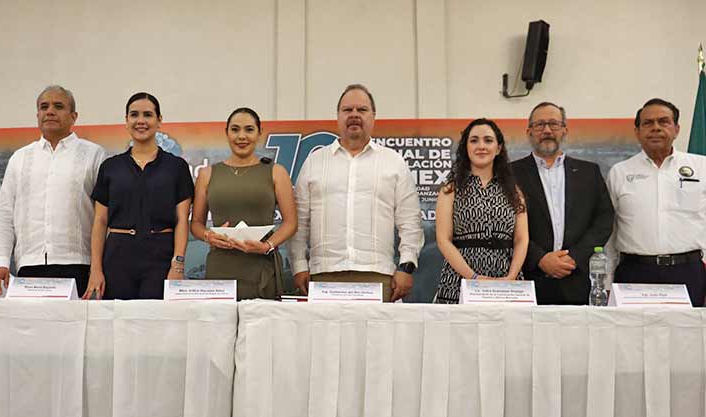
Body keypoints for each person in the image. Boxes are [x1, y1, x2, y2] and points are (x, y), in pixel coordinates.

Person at [290, 84, 424, 302]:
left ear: (373, 117)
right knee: (325, 337)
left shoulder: (393, 162)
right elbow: (300, 221)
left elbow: (410, 221)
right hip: (323, 275)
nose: (354, 115)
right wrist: (298, 266)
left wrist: (406, 267)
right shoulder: (315, 162)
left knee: (378, 337)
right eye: (347, 110)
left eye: (361, 110)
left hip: (379, 276)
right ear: (337, 116)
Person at [0, 85, 107, 297]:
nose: (50, 111)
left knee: (77, 329)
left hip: (79, 265)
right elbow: (3, 215)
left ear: (74, 116)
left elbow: (105, 216)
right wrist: (0, 262)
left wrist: (98, 268)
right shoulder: (20, 158)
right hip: (29, 265)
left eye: (58, 106)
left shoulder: (94, 155)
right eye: (44, 107)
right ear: (37, 115)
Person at [84, 92, 193, 300]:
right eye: (134, 115)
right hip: (117, 258)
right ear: (126, 121)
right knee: (117, 325)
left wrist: (177, 265)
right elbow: (100, 221)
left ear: (159, 121)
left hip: (161, 258)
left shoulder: (176, 167)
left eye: (148, 115)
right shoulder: (110, 167)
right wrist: (95, 269)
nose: (140, 121)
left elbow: (181, 220)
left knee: (156, 325)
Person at [606, 98, 706, 306]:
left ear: (677, 129)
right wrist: (606, 282)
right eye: (648, 123)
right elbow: (610, 231)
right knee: (632, 337)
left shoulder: (701, 167)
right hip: (635, 272)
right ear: (637, 131)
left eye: (663, 122)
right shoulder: (620, 172)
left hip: (688, 271)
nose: (656, 128)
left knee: (687, 337)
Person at [511, 102, 614, 305]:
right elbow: (505, 224)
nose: (547, 130)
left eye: (554, 124)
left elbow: (603, 220)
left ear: (565, 130)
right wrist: (540, 258)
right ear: (529, 132)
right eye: (540, 124)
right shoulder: (511, 174)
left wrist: (574, 258)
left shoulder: (588, 172)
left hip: (577, 280)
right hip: (528, 279)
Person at [190, 107, 297, 300]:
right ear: (227, 133)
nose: (242, 136)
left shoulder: (276, 172)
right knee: (219, 329)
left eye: (249, 129)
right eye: (235, 129)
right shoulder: (207, 174)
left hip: (261, 268)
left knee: (262, 329)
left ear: (259, 133)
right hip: (220, 269)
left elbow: (290, 223)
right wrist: (208, 236)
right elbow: (196, 224)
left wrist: (268, 246)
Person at [433, 118, 528, 304]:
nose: (481, 146)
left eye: (488, 140)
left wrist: (510, 277)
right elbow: (443, 240)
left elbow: (521, 239)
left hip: (506, 282)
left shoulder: (514, 191)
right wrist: (474, 278)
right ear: (466, 148)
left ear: (499, 148)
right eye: (474, 140)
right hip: (459, 281)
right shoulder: (450, 190)